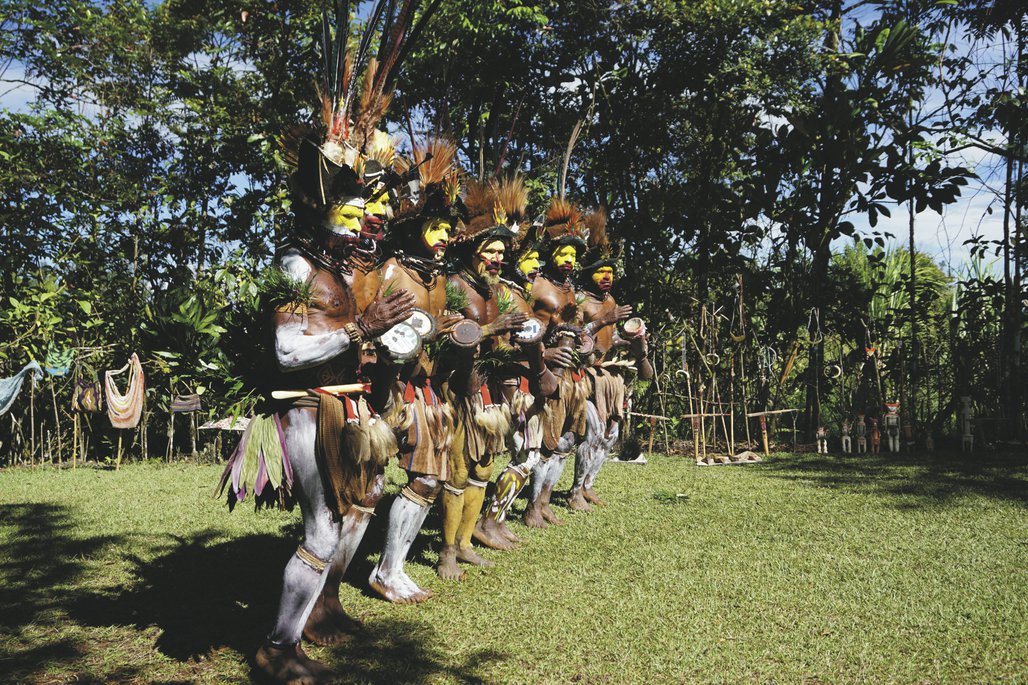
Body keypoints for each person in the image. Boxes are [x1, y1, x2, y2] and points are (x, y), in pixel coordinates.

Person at [570, 210, 651, 511]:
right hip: (585, 375)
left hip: (609, 376)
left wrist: (629, 339)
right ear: (588, 273)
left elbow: (609, 338)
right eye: (601, 272)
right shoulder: (578, 299)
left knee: (609, 435)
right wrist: (604, 319)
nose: (607, 277)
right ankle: (574, 492)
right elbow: (574, 336)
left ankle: (588, 486)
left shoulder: (611, 301)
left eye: (610, 272)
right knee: (592, 434)